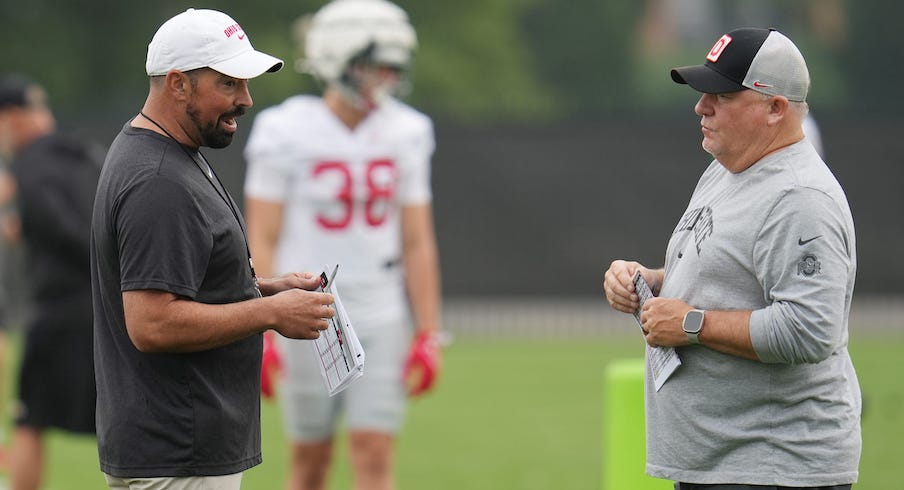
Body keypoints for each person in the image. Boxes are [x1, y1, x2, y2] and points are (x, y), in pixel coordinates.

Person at [90, 8, 338, 489]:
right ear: (178, 84)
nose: (245, 100)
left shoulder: (169, 154)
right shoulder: (158, 180)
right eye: (228, 84)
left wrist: (265, 289)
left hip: (181, 448)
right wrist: (270, 314)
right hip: (177, 453)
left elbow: (184, 279)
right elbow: (152, 321)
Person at [602, 28, 860, 489]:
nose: (702, 106)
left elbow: (809, 328)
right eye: (703, 93)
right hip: (729, 463)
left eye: (721, 94)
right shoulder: (728, 169)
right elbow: (730, 274)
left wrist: (690, 324)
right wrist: (652, 282)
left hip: (773, 468)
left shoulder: (800, 197)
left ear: (775, 108)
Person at [243, 1, 443, 488]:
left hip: (380, 313)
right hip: (305, 314)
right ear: (339, 60)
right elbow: (261, 237)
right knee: (309, 461)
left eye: (393, 67)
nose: (387, 78)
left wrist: (429, 331)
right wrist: (263, 327)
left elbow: (417, 241)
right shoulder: (284, 128)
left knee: (374, 455)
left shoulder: (408, 130)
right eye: (377, 65)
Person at [0, 73, 101, 490]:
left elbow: (63, 228)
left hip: (59, 311)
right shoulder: (88, 155)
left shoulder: (28, 166)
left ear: (12, 118)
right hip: (112, 310)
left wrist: (31, 222)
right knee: (127, 420)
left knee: (28, 419)